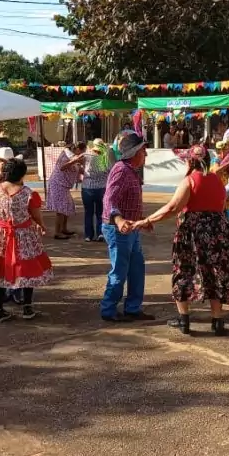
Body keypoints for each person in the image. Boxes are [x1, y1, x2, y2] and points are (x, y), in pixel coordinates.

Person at [134, 145, 229, 335]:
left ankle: (184, 320)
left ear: (190, 161)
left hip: (193, 232)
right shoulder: (217, 180)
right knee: (215, 272)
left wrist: (147, 220)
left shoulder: (190, 181)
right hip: (218, 230)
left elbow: (172, 207)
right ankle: (217, 320)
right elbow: (220, 205)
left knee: (185, 270)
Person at [0, 158, 52, 323]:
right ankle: (27, 307)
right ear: (22, 174)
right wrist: (42, 225)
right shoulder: (28, 193)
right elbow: (35, 214)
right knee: (26, 267)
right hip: (24, 234)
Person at [100, 132, 154, 323]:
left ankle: (133, 308)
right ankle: (108, 309)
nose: (146, 155)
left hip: (131, 228)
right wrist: (119, 220)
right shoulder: (121, 170)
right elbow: (109, 199)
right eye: (143, 150)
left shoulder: (130, 170)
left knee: (136, 269)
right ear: (135, 152)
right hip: (118, 229)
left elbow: (126, 200)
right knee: (120, 271)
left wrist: (140, 220)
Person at [45, 142, 86, 239]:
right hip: (58, 184)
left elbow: (79, 170)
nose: (82, 153)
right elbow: (62, 167)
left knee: (67, 207)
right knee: (61, 210)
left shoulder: (73, 157)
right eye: (82, 151)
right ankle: (57, 232)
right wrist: (75, 161)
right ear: (77, 149)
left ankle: (63, 229)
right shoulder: (66, 154)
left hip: (64, 186)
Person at [81, 139, 111, 243]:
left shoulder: (86, 156)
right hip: (101, 188)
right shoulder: (105, 158)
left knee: (88, 212)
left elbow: (78, 164)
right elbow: (109, 170)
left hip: (87, 188)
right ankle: (100, 233)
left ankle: (88, 235)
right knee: (100, 212)